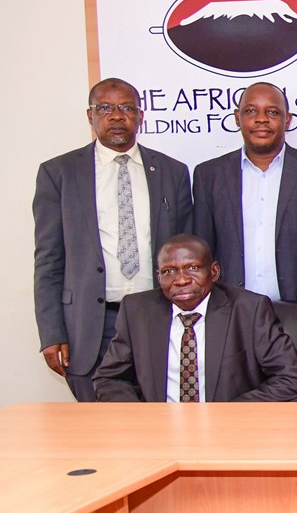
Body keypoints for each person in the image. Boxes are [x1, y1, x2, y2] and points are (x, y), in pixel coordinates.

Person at [34, 77, 193, 401]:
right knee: (100, 431)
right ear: (89, 115)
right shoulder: (59, 173)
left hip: (159, 320)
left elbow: (188, 255)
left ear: (140, 116)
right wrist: (52, 334)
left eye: (126, 108)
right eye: (105, 108)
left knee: (161, 423)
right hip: (90, 326)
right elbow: (48, 260)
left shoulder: (171, 172)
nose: (116, 116)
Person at [92, 233, 297, 402]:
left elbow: (292, 378)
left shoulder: (249, 309)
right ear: (158, 277)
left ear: (214, 272)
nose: (180, 280)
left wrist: (225, 414)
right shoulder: (137, 311)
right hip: (158, 433)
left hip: (231, 431)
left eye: (192, 268)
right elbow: (109, 379)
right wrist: (145, 419)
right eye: (169, 272)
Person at [192, 81, 297, 303]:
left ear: (288, 120)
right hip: (231, 310)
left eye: (272, 112)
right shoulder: (209, 175)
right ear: (237, 118)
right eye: (251, 111)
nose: (261, 119)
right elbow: (202, 251)